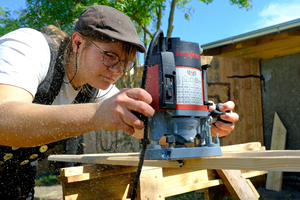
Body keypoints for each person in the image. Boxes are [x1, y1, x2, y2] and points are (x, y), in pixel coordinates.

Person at [0, 5, 239, 199]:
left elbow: (147, 133)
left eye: (125, 63)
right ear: (77, 43)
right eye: (110, 56)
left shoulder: (97, 88)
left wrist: (202, 126)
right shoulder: (30, 46)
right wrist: (97, 114)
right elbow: (3, 119)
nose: (117, 70)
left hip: (14, 177)